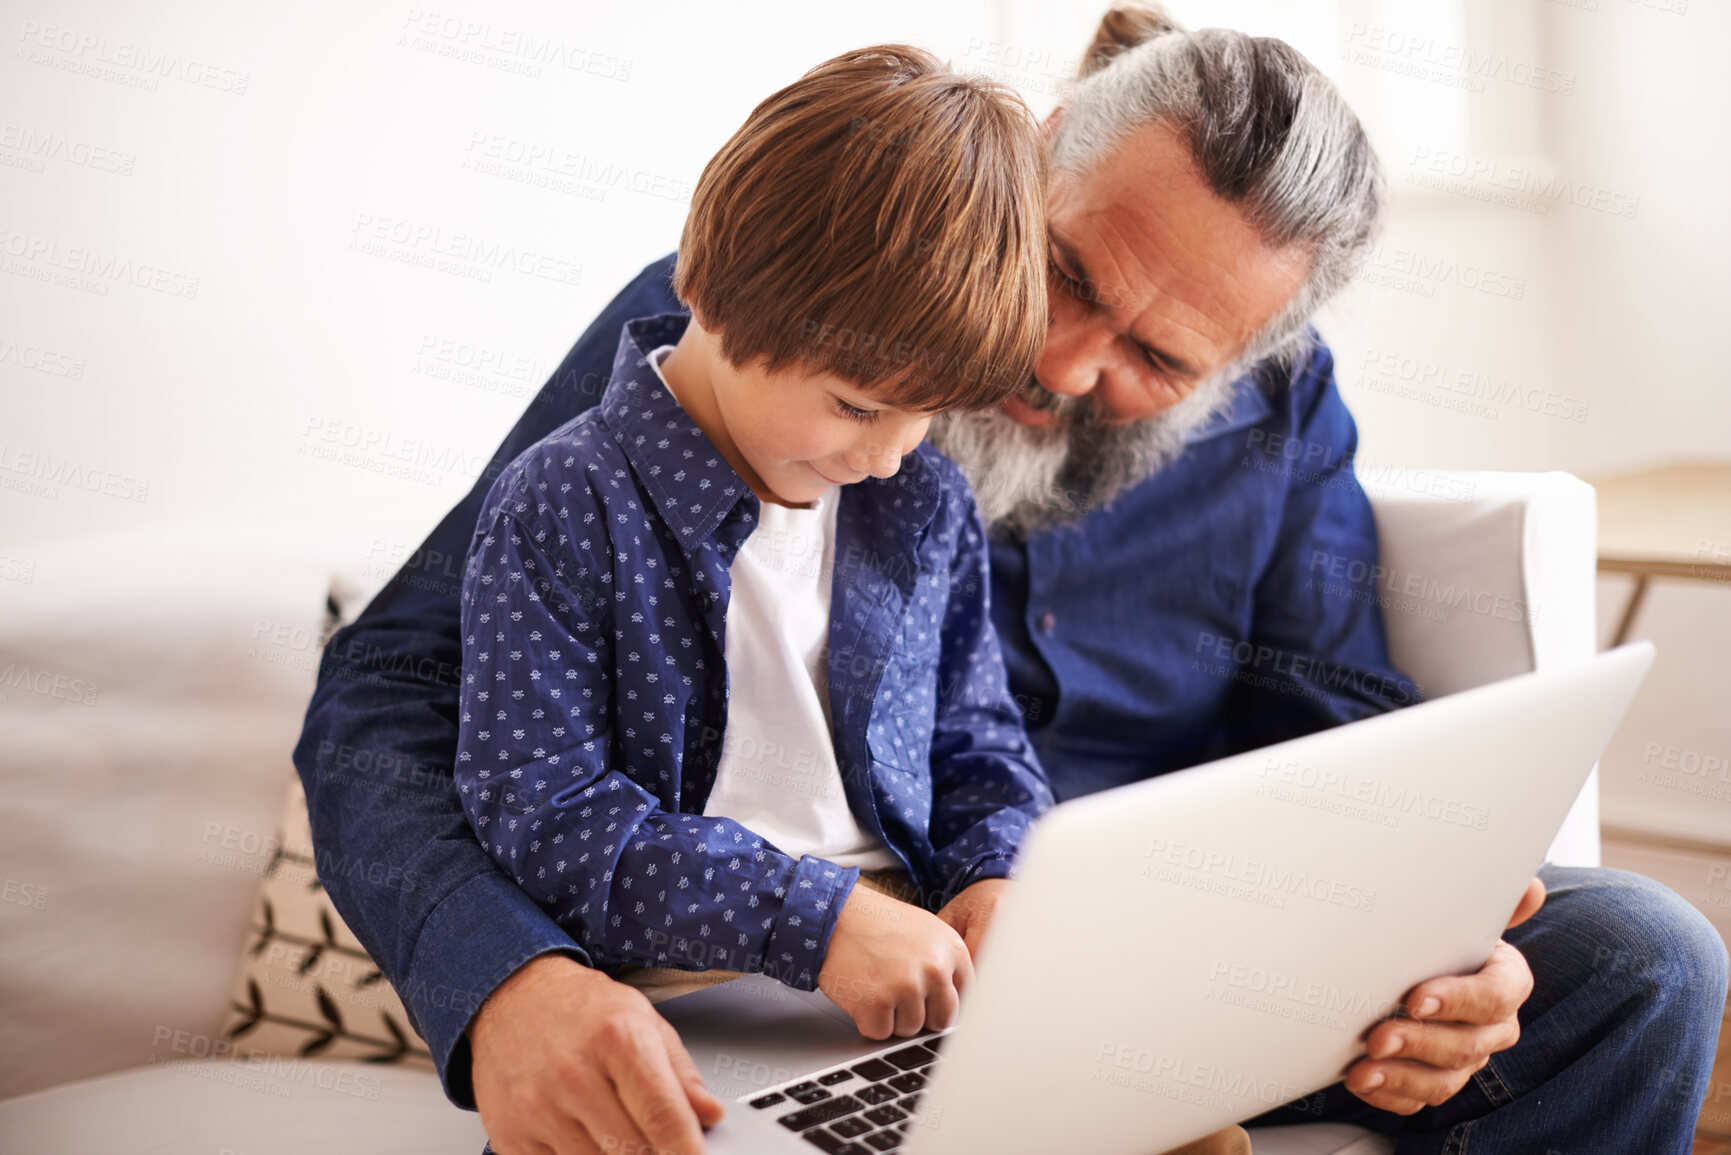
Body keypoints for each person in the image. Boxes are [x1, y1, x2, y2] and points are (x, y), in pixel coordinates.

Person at [294, 5, 1729, 1155]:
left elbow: (1338, 726)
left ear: (1245, 360)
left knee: (1640, 956)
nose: (1060, 366)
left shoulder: (1279, 411)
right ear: (1040, 152)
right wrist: (507, 979)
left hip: (1163, 949)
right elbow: (394, 684)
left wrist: (1439, 938)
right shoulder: (757, 324)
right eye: (1067, 271)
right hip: (830, 966)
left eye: (1161, 361)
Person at [451, 44, 1055, 1048]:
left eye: (929, 413)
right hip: (674, 990)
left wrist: (1001, 869)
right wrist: (813, 920)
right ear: (712, 292)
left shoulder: (922, 497)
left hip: (911, 964)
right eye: (858, 405)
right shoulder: (563, 501)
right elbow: (542, 813)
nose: (889, 453)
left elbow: (977, 738)